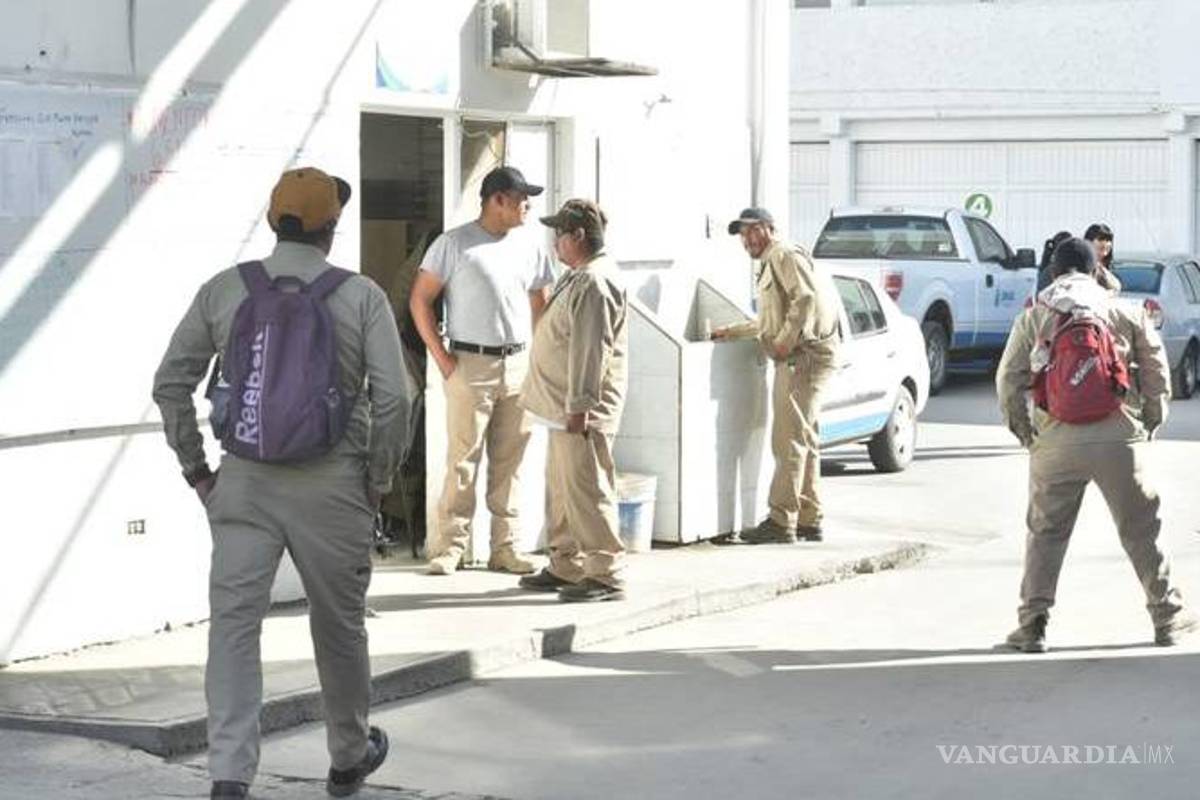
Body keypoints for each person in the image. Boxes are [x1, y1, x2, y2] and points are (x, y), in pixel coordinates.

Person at [152, 168, 407, 799]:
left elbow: (170, 384)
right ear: (331, 228)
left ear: (274, 221)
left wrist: (198, 471)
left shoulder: (224, 290)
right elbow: (397, 398)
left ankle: (230, 774)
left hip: (242, 483)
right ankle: (348, 756)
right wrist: (378, 480)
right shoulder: (361, 295)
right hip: (335, 487)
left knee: (235, 627)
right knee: (338, 625)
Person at [996, 237, 1196, 653]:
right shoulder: (1124, 310)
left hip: (1055, 439)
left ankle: (1032, 626)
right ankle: (1168, 618)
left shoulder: (1035, 316)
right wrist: (1150, 422)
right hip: (1119, 435)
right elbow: (1157, 370)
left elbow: (1007, 381)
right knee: (1142, 529)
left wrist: (1026, 433)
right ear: (1095, 271)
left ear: (1054, 271)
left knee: (1046, 534)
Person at [410, 166, 555, 575]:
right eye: (521, 197)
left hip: (519, 363)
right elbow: (420, 301)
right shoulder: (453, 244)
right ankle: (450, 547)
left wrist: (540, 358)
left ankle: (504, 548)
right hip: (469, 362)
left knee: (510, 461)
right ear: (497, 201)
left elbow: (541, 304)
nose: (527, 205)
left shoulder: (531, 247)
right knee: (463, 458)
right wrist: (441, 358)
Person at [517, 199, 630, 602]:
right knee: (562, 489)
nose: (555, 244)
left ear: (578, 235)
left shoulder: (594, 282)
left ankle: (605, 572)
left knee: (587, 489)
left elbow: (589, 350)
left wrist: (580, 407)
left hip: (578, 409)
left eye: (559, 235)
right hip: (558, 406)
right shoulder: (578, 275)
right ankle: (566, 564)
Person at [712, 207, 841, 544]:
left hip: (803, 357)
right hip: (806, 355)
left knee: (788, 440)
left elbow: (806, 299)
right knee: (804, 438)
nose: (748, 239)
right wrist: (732, 332)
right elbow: (773, 319)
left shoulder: (782, 254)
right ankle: (809, 518)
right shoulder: (773, 259)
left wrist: (783, 344)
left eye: (753, 231)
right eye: (743, 234)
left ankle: (781, 520)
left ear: (769, 229)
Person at [1084, 222, 1121, 292]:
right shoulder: (1084, 268)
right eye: (1100, 239)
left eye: (1108, 240)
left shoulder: (1106, 268)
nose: (1105, 243)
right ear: (1089, 241)